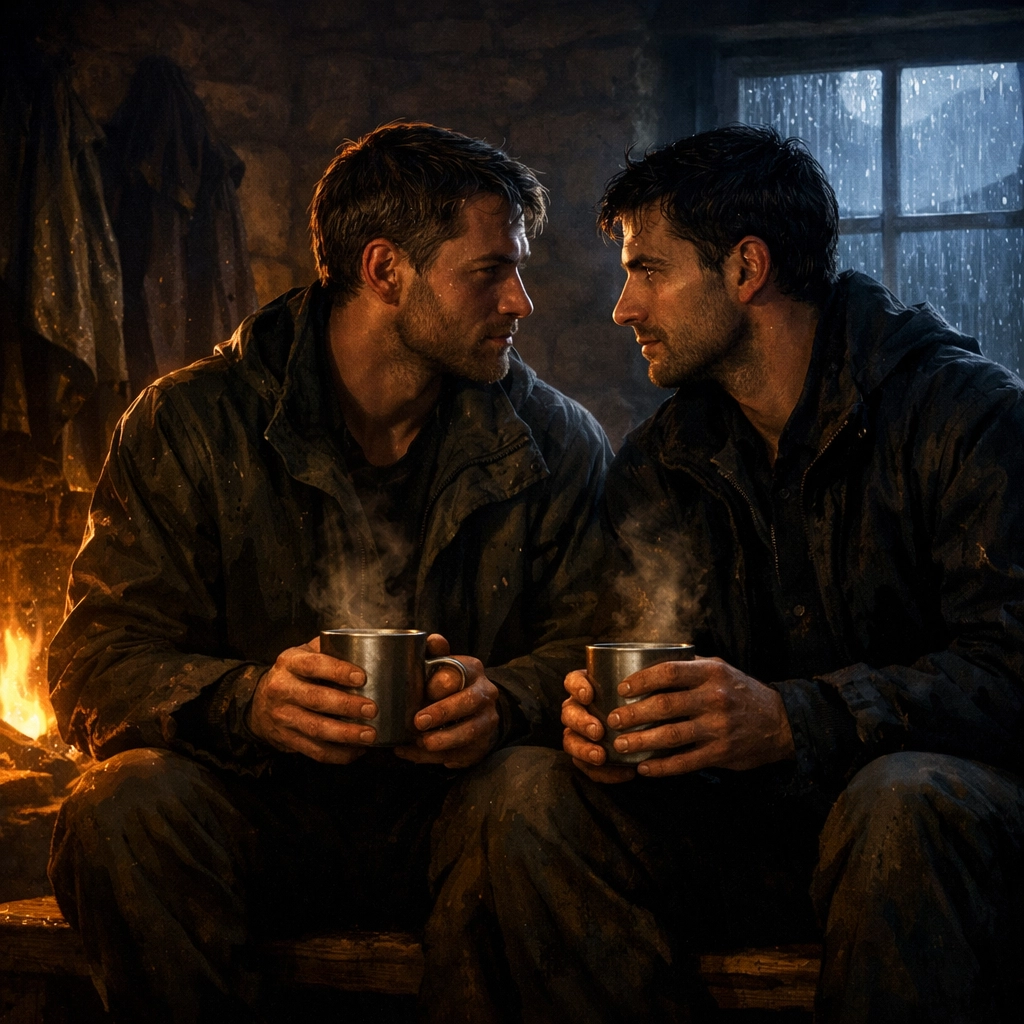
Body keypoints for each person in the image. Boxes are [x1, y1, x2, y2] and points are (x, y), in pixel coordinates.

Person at [425, 125, 1024, 1023]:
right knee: (524, 792)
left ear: (747, 269)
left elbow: (1012, 671)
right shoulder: (662, 462)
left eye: (649, 271)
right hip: (744, 832)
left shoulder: (966, 418)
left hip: (945, 829)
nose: (623, 308)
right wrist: (607, 728)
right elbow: (636, 649)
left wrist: (794, 720)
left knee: (903, 802)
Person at [46, 122, 610, 1023]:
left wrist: (503, 699)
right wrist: (248, 701)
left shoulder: (553, 440)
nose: (521, 301)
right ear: (385, 270)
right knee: (122, 803)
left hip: (455, 816)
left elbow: (596, 641)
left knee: (533, 792)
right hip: (254, 815)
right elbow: (91, 662)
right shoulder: (187, 425)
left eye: (519, 269)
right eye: (489, 270)